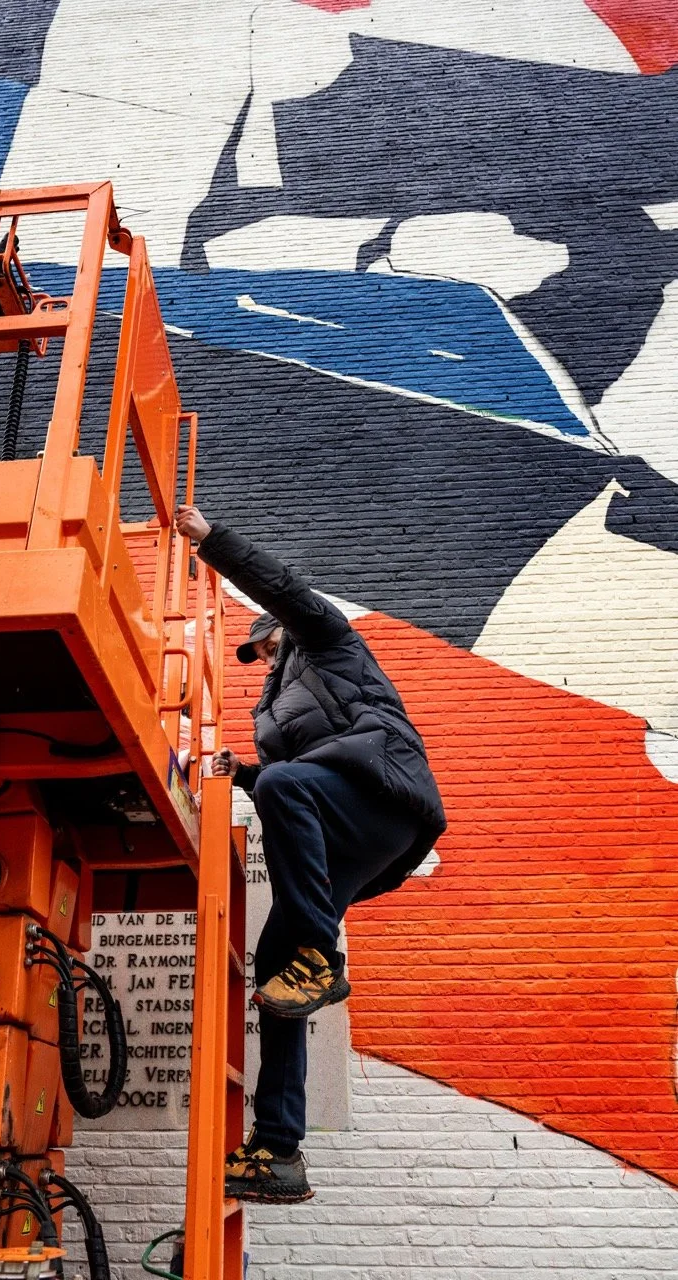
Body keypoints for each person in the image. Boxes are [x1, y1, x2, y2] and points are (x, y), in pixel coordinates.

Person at [175, 505, 447, 1204]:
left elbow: (288, 591)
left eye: (267, 647)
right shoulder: (272, 714)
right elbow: (288, 783)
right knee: (275, 974)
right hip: (338, 831)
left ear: (283, 631)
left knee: (289, 787)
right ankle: (278, 1150)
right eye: (258, 658)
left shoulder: (329, 643)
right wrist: (237, 772)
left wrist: (214, 542)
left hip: (382, 797)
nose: (263, 661)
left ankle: (320, 958)